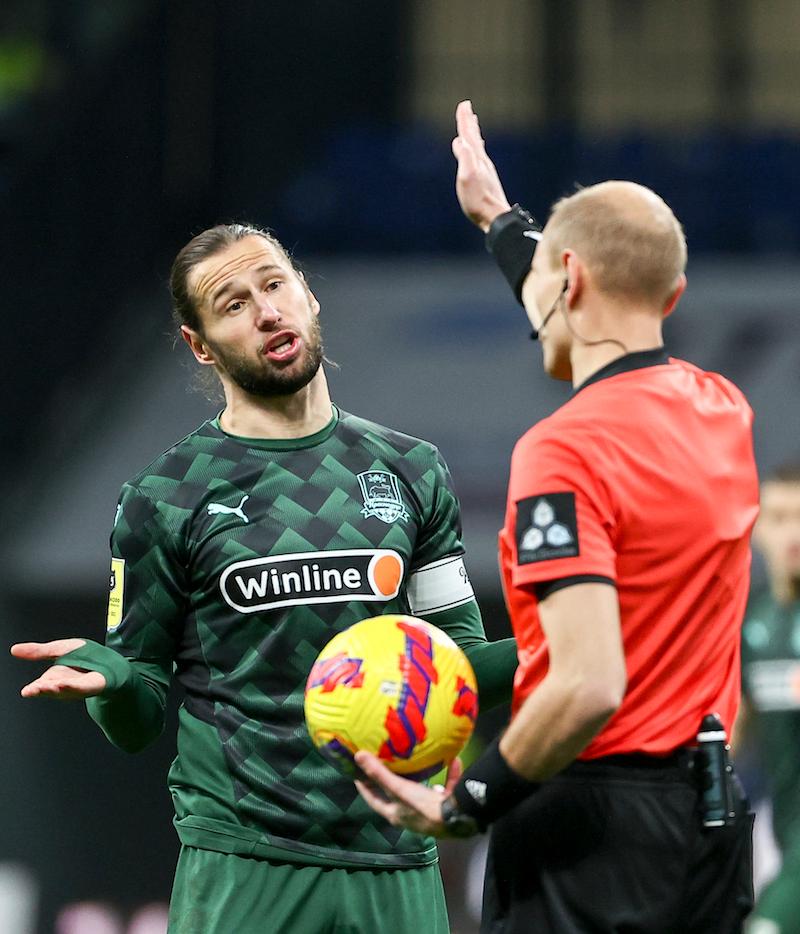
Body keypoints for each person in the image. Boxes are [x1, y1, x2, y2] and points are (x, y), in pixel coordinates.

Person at [11, 222, 518, 934]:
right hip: (246, 866)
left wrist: (569, 645)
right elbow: (137, 716)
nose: (267, 311)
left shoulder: (412, 470)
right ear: (200, 345)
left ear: (308, 294)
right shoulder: (166, 496)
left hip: (398, 855)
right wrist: (119, 681)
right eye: (234, 304)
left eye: (275, 284)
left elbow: (459, 667)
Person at [355, 100, 759, 932]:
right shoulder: (723, 410)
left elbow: (587, 685)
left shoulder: (564, 449)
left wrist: (469, 801)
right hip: (707, 823)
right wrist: (500, 221)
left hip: (590, 832)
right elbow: (600, 300)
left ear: (568, 280)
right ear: (675, 295)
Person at [739, 463, 800, 934]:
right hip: (785, 841)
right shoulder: (753, 625)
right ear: (757, 529)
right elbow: (730, 733)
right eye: (780, 518)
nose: (793, 534)